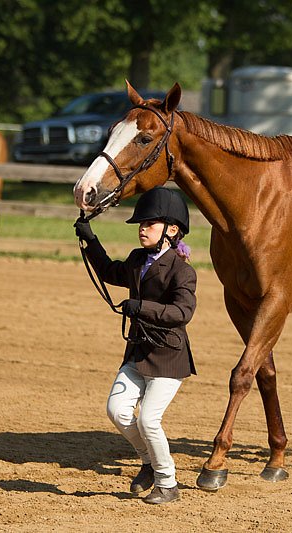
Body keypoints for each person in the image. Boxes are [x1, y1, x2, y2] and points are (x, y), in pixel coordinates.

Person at [74, 186, 196, 505]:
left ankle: (167, 483)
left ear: (171, 230)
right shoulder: (137, 259)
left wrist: (141, 308)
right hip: (138, 352)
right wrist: (90, 239)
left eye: (150, 223)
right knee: (116, 411)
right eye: (141, 223)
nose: (142, 228)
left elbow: (182, 313)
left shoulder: (182, 271)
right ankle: (147, 462)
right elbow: (109, 271)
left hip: (168, 358)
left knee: (148, 420)